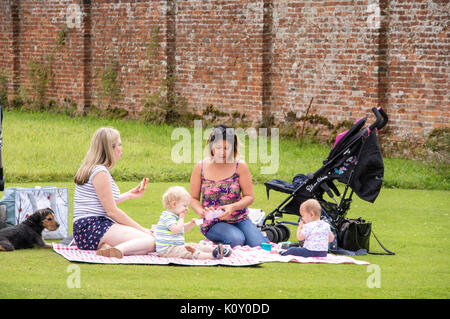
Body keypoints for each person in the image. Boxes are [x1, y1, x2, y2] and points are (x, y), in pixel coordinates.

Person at [73, 127, 155, 259]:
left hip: (85, 230)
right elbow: (112, 211)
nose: (122, 148)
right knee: (151, 240)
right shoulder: (100, 172)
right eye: (120, 145)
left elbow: (101, 202)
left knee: (145, 238)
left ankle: (106, 246)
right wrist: (142, 229)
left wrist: (129, 195)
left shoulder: (92, 169)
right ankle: (116, 250)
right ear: (110, 148)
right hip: (92, 227)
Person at [189, 124, 268, 248]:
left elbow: (249, 196)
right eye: (218, 147)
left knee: (260, 245)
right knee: (236, 240)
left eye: (227, 148)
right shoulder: (201, 167)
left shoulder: (240, 166)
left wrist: (232, 207)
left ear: (233, 148)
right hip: (214, 222)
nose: (222, 152)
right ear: (211, 146)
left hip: (239, 218)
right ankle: (229, 236)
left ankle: (255, 232)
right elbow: (193, 198)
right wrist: (202, 212)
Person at [155, 186, 231, 259]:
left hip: (176, 246)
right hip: (167, 250)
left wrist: (191, 224)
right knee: (190, 251)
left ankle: (218, 250)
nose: (187, 209)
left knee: (195, 246)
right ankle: (212, 256)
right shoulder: (167, 217)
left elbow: (182, 229)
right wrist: (181, 219)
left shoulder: (174, 216)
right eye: (184, 206)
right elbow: (176, 230)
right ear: (174, 204)